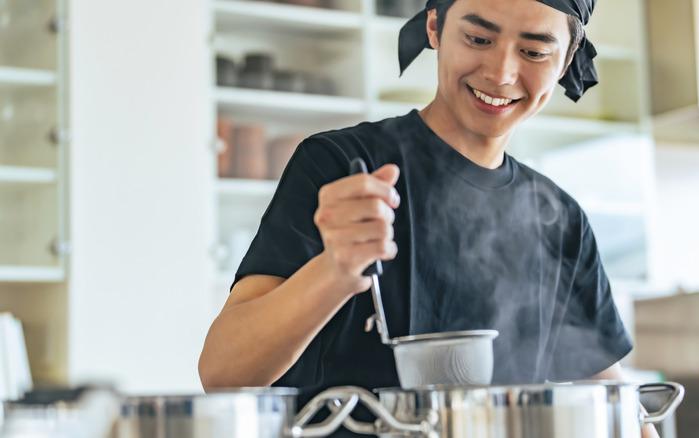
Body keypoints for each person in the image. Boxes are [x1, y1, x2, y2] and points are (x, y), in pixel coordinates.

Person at [200, 0, 659, 436]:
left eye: (534, 51)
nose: (501, 73)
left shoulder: (560, 221)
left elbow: (610, 398)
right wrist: (335, 270)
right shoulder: (340, 165)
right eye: (479, 39)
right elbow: (223, 372)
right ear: (435, 27)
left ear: (566, 59)